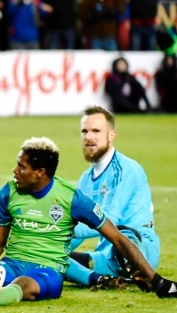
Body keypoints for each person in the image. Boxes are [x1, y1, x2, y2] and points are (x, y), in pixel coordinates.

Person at [0, 136, 177, 309]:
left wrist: (155, 280)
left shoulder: (71, 199)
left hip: (48, 271)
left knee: (23, 285)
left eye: (21, 166)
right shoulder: (8, 192)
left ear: (40, 173)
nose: (15, 171)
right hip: (10, 263)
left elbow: (117, 238)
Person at [64, 106, 160, 289]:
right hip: (105, 257)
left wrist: (67, 230)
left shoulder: (126, 170)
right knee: (50, 260)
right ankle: (104, 279)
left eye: (96, 131)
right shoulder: (85, 179)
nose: (88, 137)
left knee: (125, 234)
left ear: (111, 135)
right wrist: (55, 243)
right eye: (84, 131)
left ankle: (137, 272)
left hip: (140, 249)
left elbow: (109, 219)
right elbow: (76, 223)